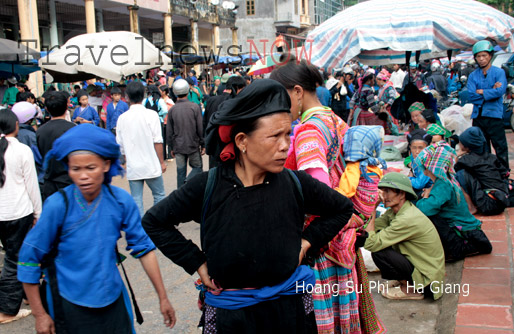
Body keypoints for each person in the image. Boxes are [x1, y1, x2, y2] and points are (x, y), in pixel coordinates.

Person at [142, 79, 353, 333]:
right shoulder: (208, 185)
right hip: (233, 317)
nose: (285, 145)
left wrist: (307, 242)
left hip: (289, 312)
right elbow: (154, 221)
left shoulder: (295, 183)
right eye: (274, 136)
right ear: (242, 141)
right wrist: (196, 261)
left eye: (288, 134)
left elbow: (341, 208)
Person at [18, 124, 176, 333]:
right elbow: (28, 260)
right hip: (69, 301)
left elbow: (144, 249)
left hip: (112, 297)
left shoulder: (120, 201)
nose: (83, 176)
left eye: (90, 168)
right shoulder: (58, 205)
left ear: (106, 165)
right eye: (76, 169)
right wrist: (40, 315)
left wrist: (163, 297)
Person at [271, 62, 384, 334]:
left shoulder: (309, 129)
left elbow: (317, 191)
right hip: (342, 236)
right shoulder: (334, 119)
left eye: (281, 96)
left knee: (323, 319)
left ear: (297, 91)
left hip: (323, 243)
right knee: (343, 314)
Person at [364, 172, 445, 300]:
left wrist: (373, 208)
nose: (383, 196)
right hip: (421, 266)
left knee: (379, 251)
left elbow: (371, 243)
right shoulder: (395, 212)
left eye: (387, 191)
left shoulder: (406, 218)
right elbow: (372, 226)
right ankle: (405, 280)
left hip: (428, 282)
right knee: (381, 241)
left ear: (402, 194)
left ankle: (410, 289)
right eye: (382, 191)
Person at [414, 141, 493, 261]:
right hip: (465, 226)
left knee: (430, 216)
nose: (424, 171)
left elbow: (425, 209)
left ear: (432, 168)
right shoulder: (448, 179)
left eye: (425, 168)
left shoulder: (443, 185)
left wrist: (425, 197)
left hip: (464, 230)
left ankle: (456, 249)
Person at [0, 108, 41, 324]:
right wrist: (38, 213)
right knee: (14, 260)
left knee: (11, 256)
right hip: (18, 212)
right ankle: (7, 311)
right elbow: (32, 185)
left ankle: (23, 295)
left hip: (4, 213)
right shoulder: (22, 150)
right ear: (16, 125)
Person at [116, 81, 166, 216]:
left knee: (136, 199)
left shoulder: (122, 118)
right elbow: (158, 141)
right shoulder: (151, 115)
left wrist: (128, 160)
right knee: (159, 195)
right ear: (144, 95)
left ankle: (140, 228)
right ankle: (155, 222)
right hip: (151, 164)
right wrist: (161, 162)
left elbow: (120, 146)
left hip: (134, 166)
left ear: (126, 97)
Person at [468, 40, 509, 170]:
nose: (481, 59)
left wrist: (482, 91)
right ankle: (487, 172)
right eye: (478, 56)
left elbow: (500, 91)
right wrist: (491, 90)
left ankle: (504, 172)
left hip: (494, 115)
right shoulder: (473, 75)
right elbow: (471, 95)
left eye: (484, 55)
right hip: (478, 116)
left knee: (500, 146)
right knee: (482, 147)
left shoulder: (499, 72)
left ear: (490, 56)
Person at [455, 126, 509, 216]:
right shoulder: (492, 157)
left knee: (460, 175)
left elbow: (452, 169)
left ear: (466, 146)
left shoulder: (466, 160)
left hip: (487, 205)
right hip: (502, 201)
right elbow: (504, 173)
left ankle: (471, 207)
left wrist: (457, 155)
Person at [37, 92, 76, 200]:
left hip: (49, 182)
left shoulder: (40, 131)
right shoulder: (73, 129)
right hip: (69, 182)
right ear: (66, 106)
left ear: (47, 110)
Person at [167, 79, 204, 187]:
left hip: (178, 146)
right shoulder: (194, 107)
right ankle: (188, 182)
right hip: (192, 144)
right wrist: (203, 143)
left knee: (180, 172)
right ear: (188, 91)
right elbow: (200, 128)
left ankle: (181, 192)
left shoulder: (172, 110)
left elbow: (169, 131)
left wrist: (171, 148)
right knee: (197, 168)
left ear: (174, 92)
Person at [203, 76, 247, 169]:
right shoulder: (234, 103)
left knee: (214, 174)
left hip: (213, 145)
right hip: (228, 150)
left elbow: (205, 122)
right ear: (236, 88)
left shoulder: (211, 100)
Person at [406, 129, 433, 197]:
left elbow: (419, 184)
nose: (417, 151)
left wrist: (408, 178)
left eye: (420, 148)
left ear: (427, 148)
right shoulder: (413, 156)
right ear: (410, 147)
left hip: (428, 190)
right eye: (414, 148)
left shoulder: (428, 161)